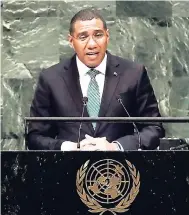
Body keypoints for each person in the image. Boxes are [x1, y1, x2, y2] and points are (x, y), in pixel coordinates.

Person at [27, 8, 165, 151]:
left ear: (107, 36)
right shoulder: (51, 79)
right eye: (83, 37)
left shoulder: (133, 74)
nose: (92, 44)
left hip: (122, 168)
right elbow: (35, 137)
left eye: (98, 35)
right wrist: (70, 147)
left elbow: (154, 129)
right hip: (67, 168)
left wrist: (116, 147)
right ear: (71, 41)